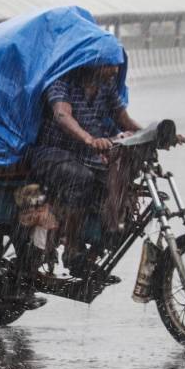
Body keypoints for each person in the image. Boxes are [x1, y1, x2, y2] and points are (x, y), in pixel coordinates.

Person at [28, 64, 142, 277]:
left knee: (117, 188)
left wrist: (153, 135)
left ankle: (95, 250)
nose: (116, 71)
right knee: (81, 179)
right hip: (52, 153)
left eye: (117, 65)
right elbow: (62, 114)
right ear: (91, 60)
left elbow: (123, 119)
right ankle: (72, 248)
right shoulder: (62, 81)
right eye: (109, 64)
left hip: (85, 157)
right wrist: (88, 138)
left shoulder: (105, 86)